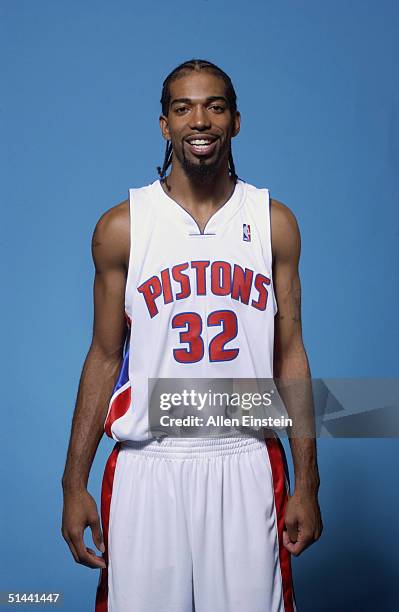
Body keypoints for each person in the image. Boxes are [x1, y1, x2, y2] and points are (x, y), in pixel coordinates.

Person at [61, 58, 323, 612]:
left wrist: (308, 483)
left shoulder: (273, 222)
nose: (199, 120)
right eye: (183, 108)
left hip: (247, 456)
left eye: (214, 107)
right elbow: (105, 355)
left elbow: (290, 355)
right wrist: (72, 483)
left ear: (235, 121)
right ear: (164, 124)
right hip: (147, 461)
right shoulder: (123, 227)